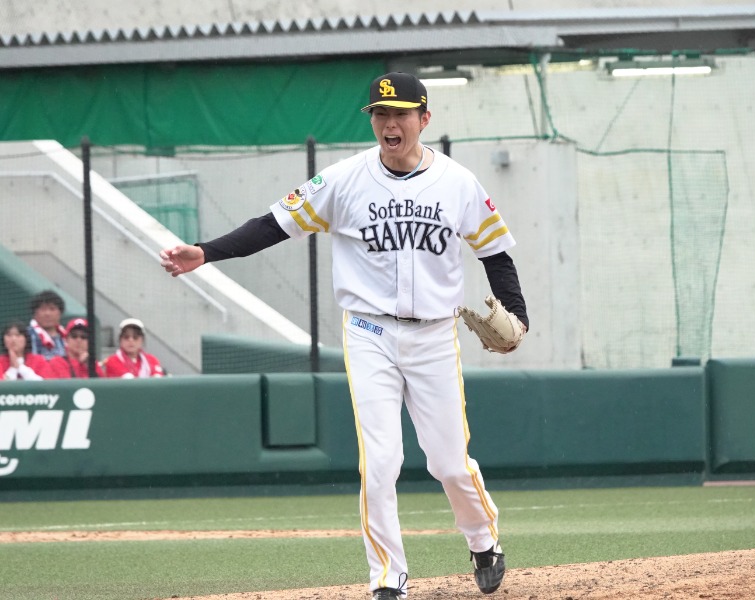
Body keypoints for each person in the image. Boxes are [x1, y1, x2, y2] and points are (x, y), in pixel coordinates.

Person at [159, 72, 529, 599]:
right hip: (369, 332)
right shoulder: (343, 179)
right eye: (381, 114)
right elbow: (272, 224)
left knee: (448, 462)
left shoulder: (458, 183)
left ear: (424, 119)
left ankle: (482, 540)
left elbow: (495, 253)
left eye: (401, 113)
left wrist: (518, 315)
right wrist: (206, 251)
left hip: (433, 336)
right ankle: (388, 579)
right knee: (380, 462)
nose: (390, 123)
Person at [27, 289, 67, 360]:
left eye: (52, 309)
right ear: (35, 313)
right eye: (43, 309)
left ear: (60, 313)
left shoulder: (68, 337)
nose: (47, 313)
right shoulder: (26, 336)